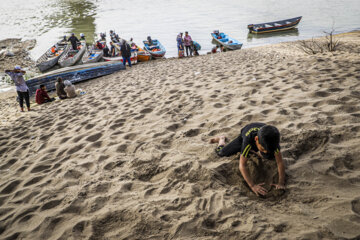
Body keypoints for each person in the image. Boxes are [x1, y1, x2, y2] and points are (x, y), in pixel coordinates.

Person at [210, 123, 285, 196]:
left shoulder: (273, 143)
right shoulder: (248, 141)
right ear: (256, 139)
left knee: (270, 156)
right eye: (263, 149)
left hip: (264, 134)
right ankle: (221, 139)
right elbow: (242, 165)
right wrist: (252, 186)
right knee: (221, 153)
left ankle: (254, 151)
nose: (264, 152)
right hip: (246, 133)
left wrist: (281, 183)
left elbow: (280, 162)